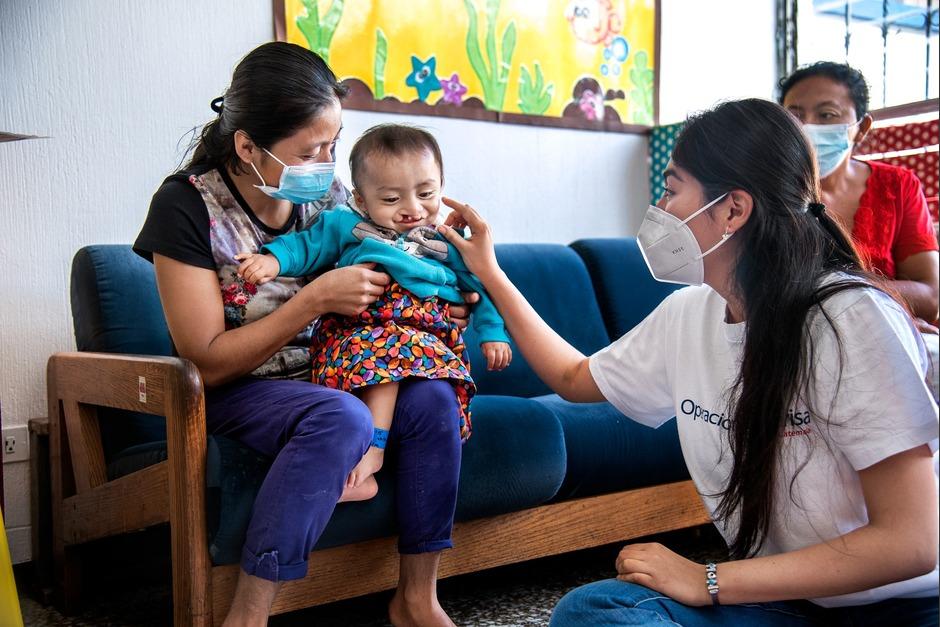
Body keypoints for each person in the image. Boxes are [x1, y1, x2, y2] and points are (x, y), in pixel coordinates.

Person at [438, 99, 939, 626]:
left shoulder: (848, 318)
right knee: (597, 612)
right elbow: (574, 378)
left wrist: (710, 579)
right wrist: (490, 273)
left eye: (673, 189)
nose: (659, 207)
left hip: (904, 607)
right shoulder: (690, 313)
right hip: (792, 606)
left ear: (732, 211)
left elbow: (913, 540)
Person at [134, 42, 469, 627]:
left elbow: (401, 273)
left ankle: (416, 598)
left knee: (433, 396)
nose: (327, 161)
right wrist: (315, 297)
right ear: (247, 145)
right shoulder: (187, 208)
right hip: (239, 388)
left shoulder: (337, 203)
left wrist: (443, 304)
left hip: (340, 369)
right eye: (311, 149)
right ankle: (248, 614)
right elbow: (205, 363)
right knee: (342, 417)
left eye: (333, 144)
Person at [235, 123, 511, 499]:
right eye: (392, 200)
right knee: (379, 357)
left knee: (398, 354)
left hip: (427, 338)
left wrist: (493, 331)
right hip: (354, 333)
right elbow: (304, 245)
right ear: (361, 201)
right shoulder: (347, 224)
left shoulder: (447, 242)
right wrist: (271, 262)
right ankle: (361, 456)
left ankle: (374, 451)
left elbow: (481, 285)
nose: (413, 210)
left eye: (426, 193)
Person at [778, 61, 939, 398]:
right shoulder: (765, 195)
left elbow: (929, 296)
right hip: (797, 341)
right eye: (795, 115)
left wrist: (825, 287)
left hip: (892, 339)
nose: (808, 127)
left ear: (861, 127)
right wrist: (882, 296)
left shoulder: (897, 186)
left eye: (827, 115)